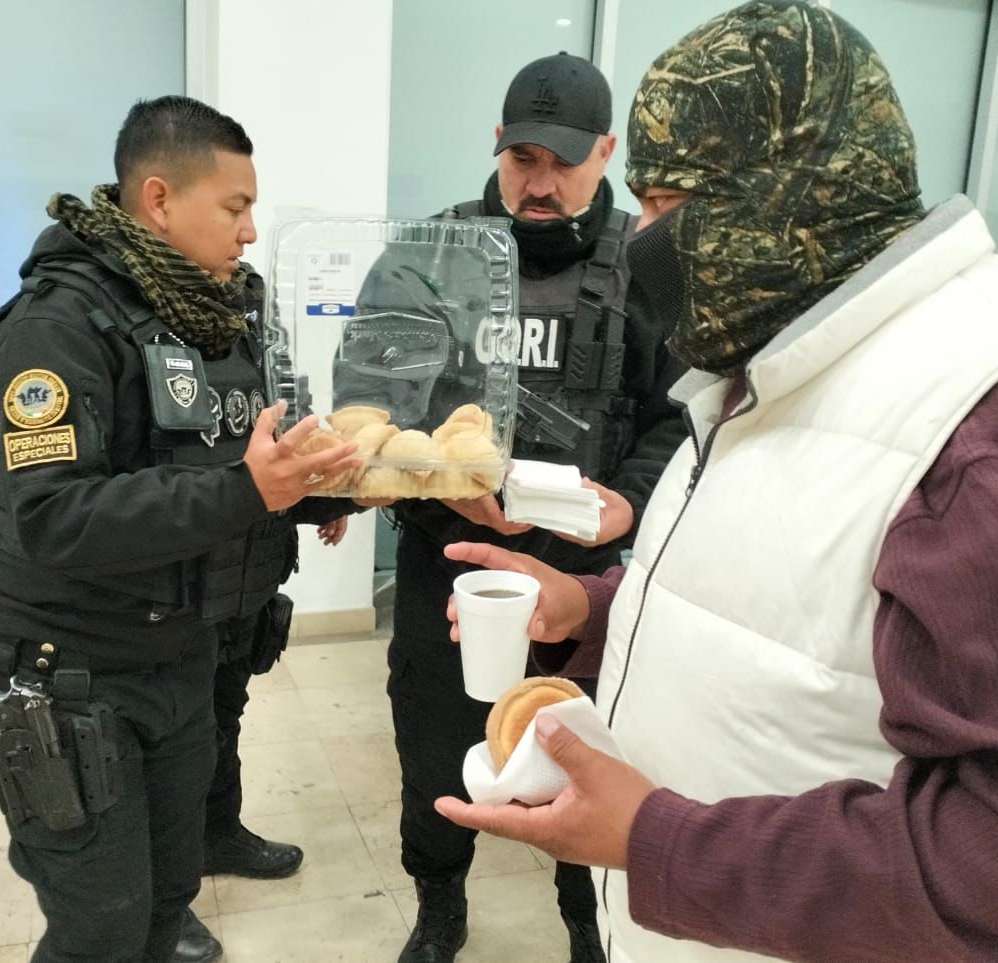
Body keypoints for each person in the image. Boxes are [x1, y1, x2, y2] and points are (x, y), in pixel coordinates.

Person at [434, 3, 998, 961]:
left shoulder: (992, 427)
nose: (645, 243)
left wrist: (659, 844)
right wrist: (595, 608)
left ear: (788, 198)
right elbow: (786, 600)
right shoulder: (775, 357)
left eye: (671, 209)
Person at [0, 95, 359, 963]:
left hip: (178, 660)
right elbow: (59, 517)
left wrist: (342, 487)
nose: (250, 234)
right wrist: (253, 487)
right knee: (102, 929)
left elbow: (233, 467)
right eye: (235, 208)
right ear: (161, 200)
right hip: (66, 680)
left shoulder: (215, 314)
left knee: (169, 904)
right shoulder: (55, 328)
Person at [363, 53, 686, 963]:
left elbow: (679, 415)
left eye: (564, 163)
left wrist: (626, 502)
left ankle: (590, 925)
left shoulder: (649, 261)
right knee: (435, 742)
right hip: (454, 567)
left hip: (591, 581)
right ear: (497, 144)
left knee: (588, 750)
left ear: (607, 151)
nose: (540, 185)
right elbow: (373, 403)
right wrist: (433, 477)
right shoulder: (429, 253)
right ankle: (439, 907)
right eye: (524, 159)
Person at [202, 515, 348, 880]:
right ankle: (163, 890)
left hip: (248, 580)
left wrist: (331, 499)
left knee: (223, 718)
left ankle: (219, 837)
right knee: (177, 737)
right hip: (181, 592)